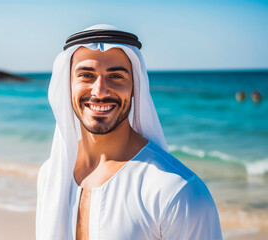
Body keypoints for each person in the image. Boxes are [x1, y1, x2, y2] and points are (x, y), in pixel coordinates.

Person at [36, 24, 222, 240]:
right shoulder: (50, 175)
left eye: (116, 76)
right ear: (67, 86)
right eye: (86, 75)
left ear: (135, 87)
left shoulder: (177, 192)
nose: (99, 91)